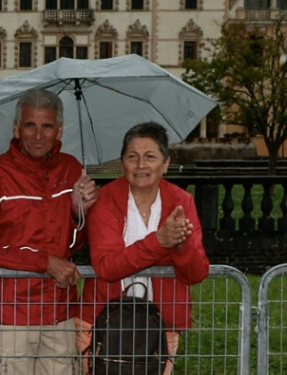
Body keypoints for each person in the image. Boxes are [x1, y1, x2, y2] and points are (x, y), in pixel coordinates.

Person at [0, 88, 99, 375]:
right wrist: (44, 263)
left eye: (47, 126)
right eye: (30, 125)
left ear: (59, 130)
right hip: (10, 316)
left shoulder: (71, 169)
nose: (38, 135)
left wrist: (79, 213)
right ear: (16, 128)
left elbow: (72, 245)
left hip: (58, 312)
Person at [79, 122, 209, 375]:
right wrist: (159, 242)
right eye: (132, 157)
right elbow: (107, 265)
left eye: (150, 157)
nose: (141, 165)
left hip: (162, 323)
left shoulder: (181, 201)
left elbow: (196, 273)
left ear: (166, 163)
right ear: (122, 162)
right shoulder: (105, 200)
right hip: (102, 320)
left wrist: (183, 247)